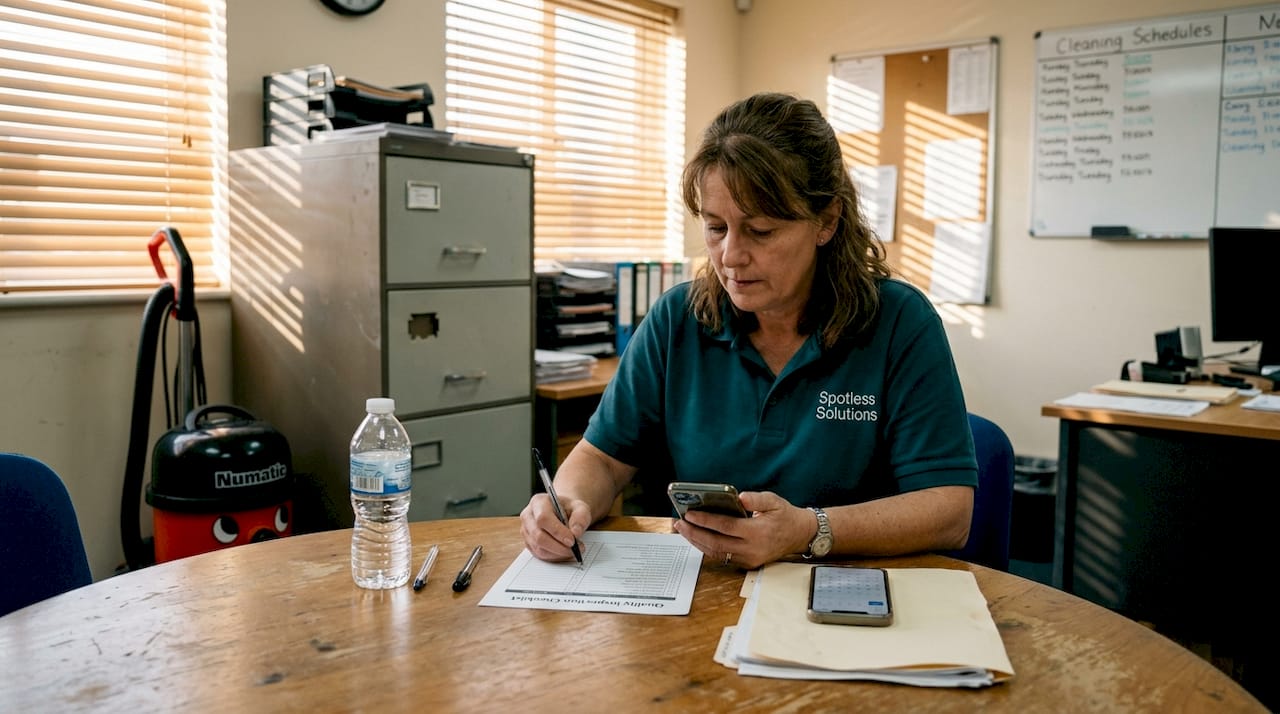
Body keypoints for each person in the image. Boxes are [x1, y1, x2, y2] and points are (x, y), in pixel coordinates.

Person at [521, 92, 977, 570]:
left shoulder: (900, 322)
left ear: (826, 220)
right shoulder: (677, 319)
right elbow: (603, 458)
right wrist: (565, 504)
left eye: (760, 231)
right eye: (716, 228)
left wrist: (808, 529)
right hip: (705, 593)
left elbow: (949, 510)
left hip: (849, 595)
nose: (731, 256)